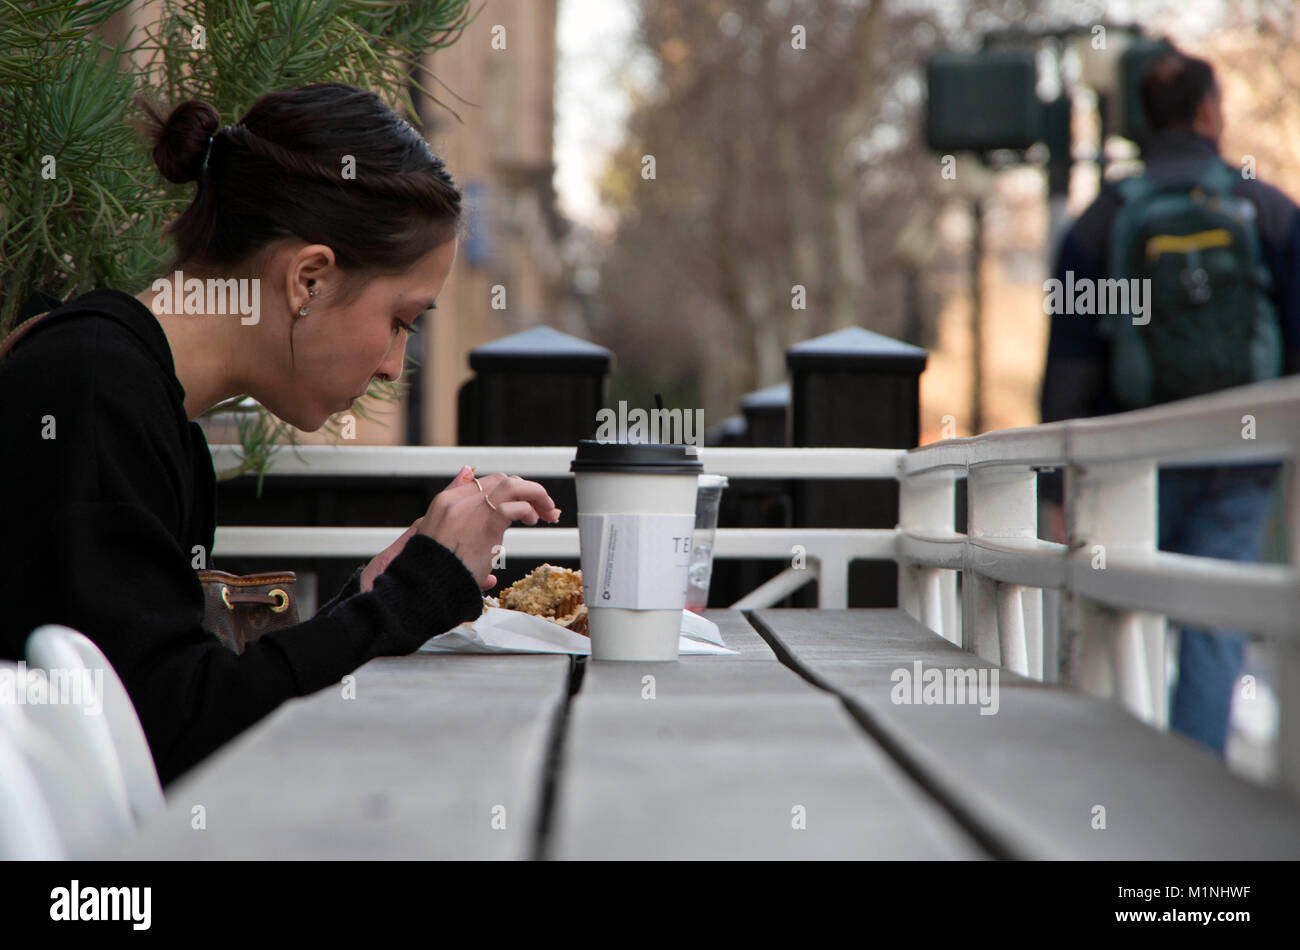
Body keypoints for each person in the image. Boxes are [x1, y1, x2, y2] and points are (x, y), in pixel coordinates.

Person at [0, 84, 560, 787]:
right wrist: (400, 605)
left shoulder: (130, 390)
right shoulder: (92, 393)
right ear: (309, 279)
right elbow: (174, 739)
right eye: (400, 319)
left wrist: (368, 604)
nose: (393, 364)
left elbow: (185, 695)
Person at [1040, 50, 1300, 756]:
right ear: (1210, 111)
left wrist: (1059, 485)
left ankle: (1119, 783)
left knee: (1118, 616)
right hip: (1238, 457)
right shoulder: (1267, 209)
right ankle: (1195, 784)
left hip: (1131, 460)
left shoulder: (1101, 221)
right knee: (1214, 621)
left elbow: (1069, 365)